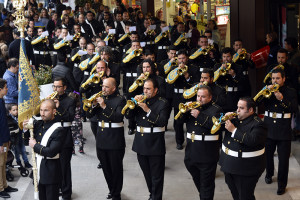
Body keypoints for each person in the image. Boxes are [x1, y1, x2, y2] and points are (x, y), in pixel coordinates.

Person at [125, 79, 169, 200]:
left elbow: (162, 122)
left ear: (155, 90)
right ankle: (152, 194)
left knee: (157, 176)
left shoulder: (162, 103)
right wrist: (133, 104)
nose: (145, 91)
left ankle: (156, 197)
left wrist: (148, 110)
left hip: (155, 143)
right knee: (147, 174)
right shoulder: (140, 101)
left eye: (148, 89)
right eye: (144, 88)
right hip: (140, 142)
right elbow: (128, 116)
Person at [257, 68, 297, 195]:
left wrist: (282, 99)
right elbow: (255, 102)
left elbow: (294, 109)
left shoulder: (290, 91)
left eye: (277, 78)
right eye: (273, 78)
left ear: (283, 79)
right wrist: (263, 92)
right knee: (267, 155)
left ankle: (281, 184)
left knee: (283, 159)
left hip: (284, 129)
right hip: (269, 128)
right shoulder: (267, 90)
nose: (274, 81)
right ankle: (269, 174)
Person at [179, 86, 223, 200]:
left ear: (210, 97)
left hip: (207, 155)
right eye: (198, 96)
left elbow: (216, 127)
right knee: (200, 184)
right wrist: (184, 111)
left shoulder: (216, 110)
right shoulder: (192, 108)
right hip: (191, 154)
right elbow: (178, 122)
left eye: (203, 97)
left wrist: (199, 115)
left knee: (207, 186)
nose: (199, 99)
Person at [219, 97, 267, 200]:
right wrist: (223, 118)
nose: (237, 110)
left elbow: (252, 140)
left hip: (246, 169)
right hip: (229, 164)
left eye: (241, 108)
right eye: (237, 107)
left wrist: (234, 131)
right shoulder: (235, 119)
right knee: (235, 193)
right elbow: (216, 127)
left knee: (245, 196)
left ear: (250, 110)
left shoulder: (258, 124)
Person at [90, 77, 126, 200]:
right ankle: (112, 189)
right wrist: (93, 105)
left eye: (106, 87)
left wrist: (104, 106)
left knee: (116, 169)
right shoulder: (100, 98)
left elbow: (118, 117)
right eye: (102, 86)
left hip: (115, 139)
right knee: (106, 168)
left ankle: (116, 194)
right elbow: (90, 115)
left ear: (114, 88)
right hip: (101, 137)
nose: (103, 89)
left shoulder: (121, 100)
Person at [26, 99, 65, 200]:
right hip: (38, 170)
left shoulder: (58, 129)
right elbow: (27, 140)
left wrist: (35, 146)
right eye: (41, 110)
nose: (42, 113)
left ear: (54, 111)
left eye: (46, 110)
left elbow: (51, 152)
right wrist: (26, 128)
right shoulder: (39, 124)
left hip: (51, 173)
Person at [52, 77, 76, 200]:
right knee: (54, 167)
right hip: (52, 137)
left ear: (64, 87)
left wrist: (59, 106)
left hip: (65, 138)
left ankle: (66, 193)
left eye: (58, 87)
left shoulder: (70, 100)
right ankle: (58, 189)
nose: (55, 89)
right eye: (54, 86)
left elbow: (70, 117)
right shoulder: (50, 99)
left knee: (64, 167)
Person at [0, 79, 18, 199]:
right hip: (0, 140)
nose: (7, 89)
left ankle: (5, 185)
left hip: (5, 137)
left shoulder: (2, 100)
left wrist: (7, 138)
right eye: (5, 87)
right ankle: (0, 188)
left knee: (4, 163)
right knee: (0, 164)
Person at [6, 104, 32, 168]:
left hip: (20, 136)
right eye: (14, 110)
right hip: (14, 138)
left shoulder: (20, 117)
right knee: (16, 151)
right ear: (10, 111)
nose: (16, 111)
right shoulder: (8, 119)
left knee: (23, 150)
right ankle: (19, 163)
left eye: (17, 109)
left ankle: (26, 162)